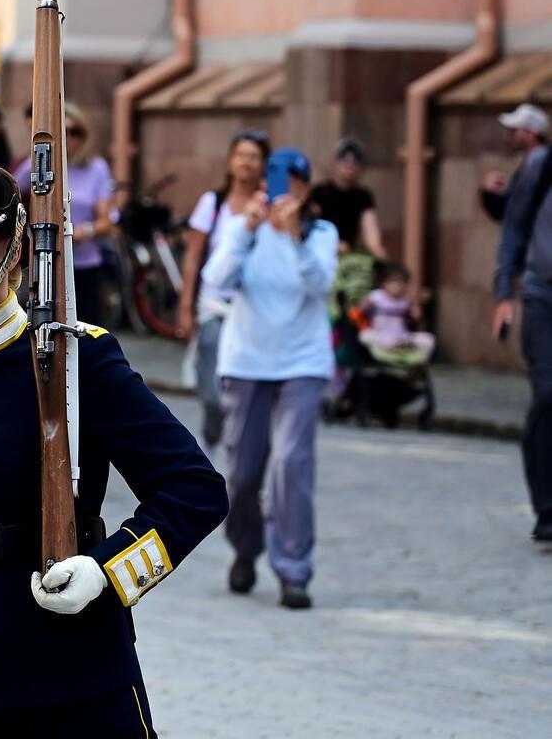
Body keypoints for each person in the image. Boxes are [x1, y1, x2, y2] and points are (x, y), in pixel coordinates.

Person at [0, 111, 225, 739]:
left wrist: (109, 573)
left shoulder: (78, 360)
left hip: (58, 665)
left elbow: (195, 489)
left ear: (13, 248)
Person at [203, 147, 339, 609]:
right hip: (246, 362)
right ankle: (245, 548)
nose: (284, 190)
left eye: (293, 181)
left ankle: (293, 570)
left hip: (302, 364)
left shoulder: (320, 233)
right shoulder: (243, 226)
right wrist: (247, 229)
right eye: (277, 180)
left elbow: (321, 284)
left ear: (306, 188)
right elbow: (217, 279)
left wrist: (296, 237)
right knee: (242, 474)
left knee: (291, 464)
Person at [177, 130, 270, 449]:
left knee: (246, 385)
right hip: (215, 304)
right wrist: (186, 306)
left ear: (263, 164)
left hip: (254, 309)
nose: (246, 162)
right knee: (212, 387)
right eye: (241, 155)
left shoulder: (269, 206)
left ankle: (239, 446)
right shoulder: (213, 203)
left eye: (254, 157)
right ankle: (213, 428)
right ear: (230, 161)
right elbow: (193, 256)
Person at [492, 123, 552, 543]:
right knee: (549, 394)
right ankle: (547, 507)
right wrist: (504, 293)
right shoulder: (540, 165)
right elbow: (513, 228)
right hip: (542, 295)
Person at [17, 102, 116, 326]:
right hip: (47, 261)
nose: (69, 138)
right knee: (44, 327)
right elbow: (13, 191)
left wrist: (84, 231)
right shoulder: (40, 162)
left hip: (85, 263)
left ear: (84, 135)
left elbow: (106, 221)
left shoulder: (96, 168)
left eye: (75, 132)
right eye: (64, 131)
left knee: (87, 328)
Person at [353, 261, 432, 365]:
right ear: (384, 283)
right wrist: (364, 305)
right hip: (380, 336)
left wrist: (416, 310)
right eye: (394, 281)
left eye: (402, 282)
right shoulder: (376, 296)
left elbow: (416, 317)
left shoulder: (406, 300)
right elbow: (360, 310)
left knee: (427, 339)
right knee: (365, 336)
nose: (399, 285)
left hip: (401, 337)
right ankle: (389, 350)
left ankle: (419, 367)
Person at [481, 103, 548, 223]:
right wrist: (490, 194)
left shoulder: (541, 165)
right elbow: (511, 211)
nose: (508, 136)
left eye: (514, 131)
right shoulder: (531, 164)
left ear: (530, 133)